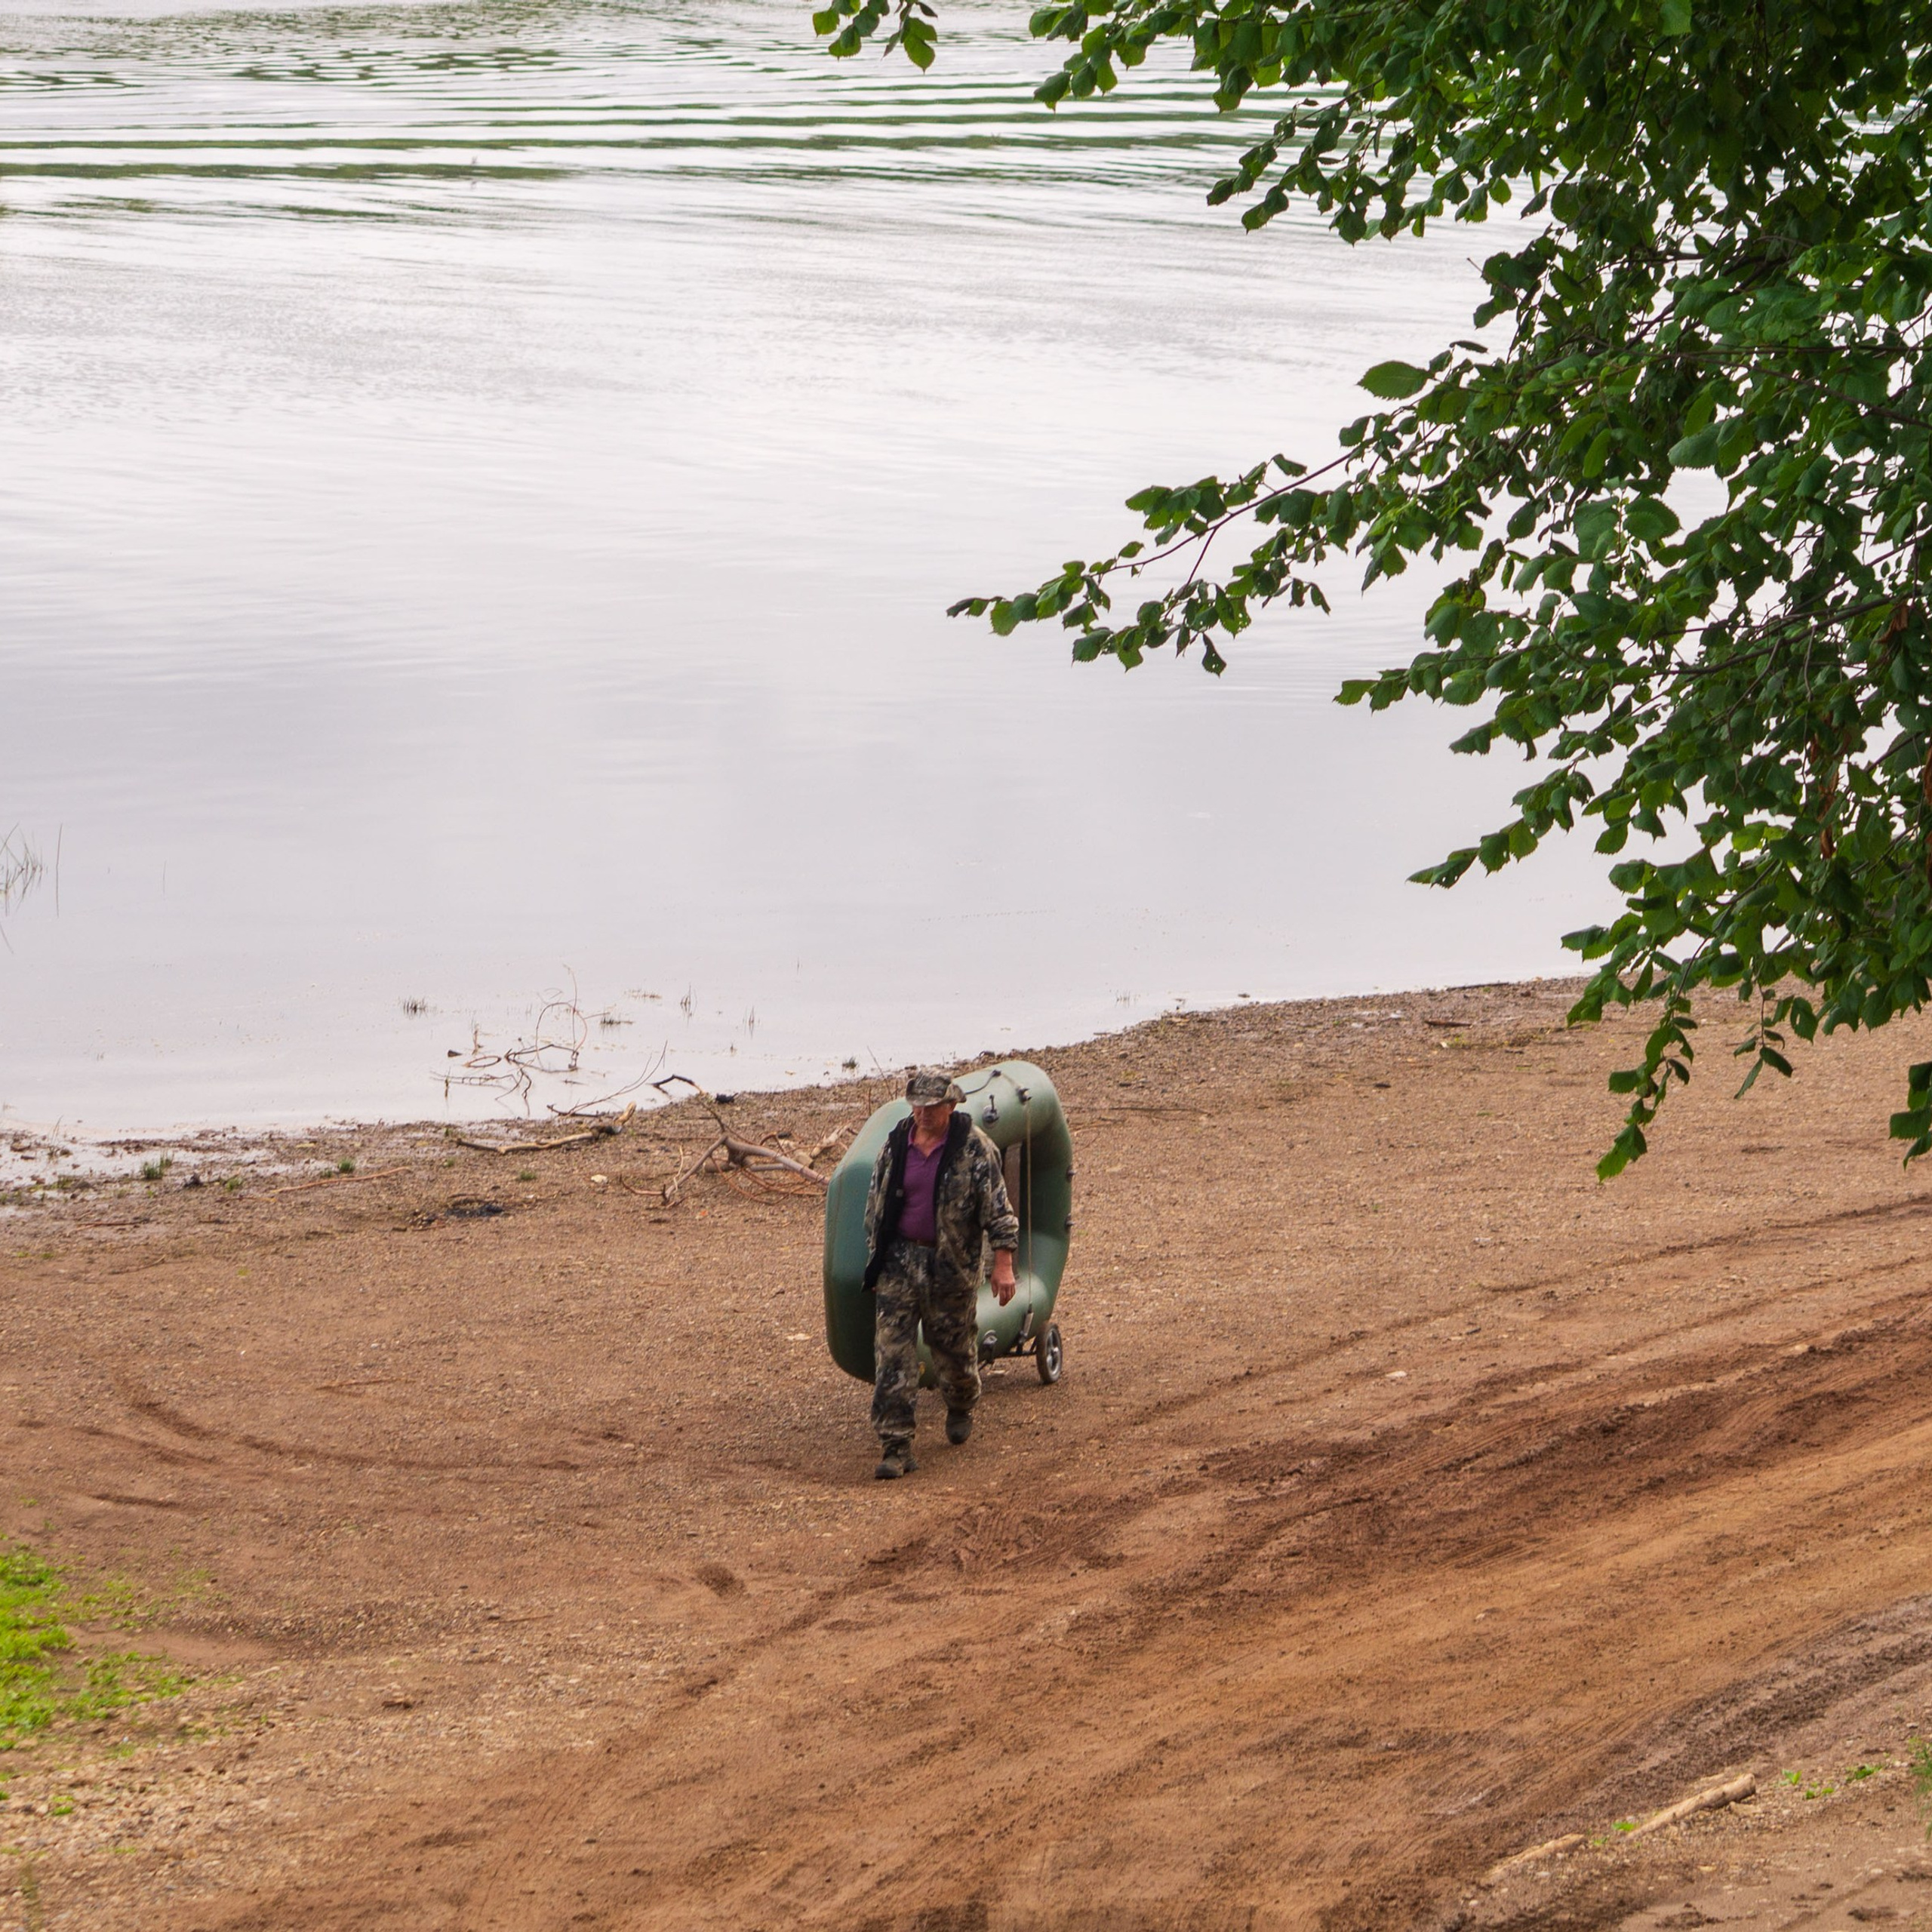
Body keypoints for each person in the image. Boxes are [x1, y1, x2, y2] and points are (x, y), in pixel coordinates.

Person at [860, 1068, 1020, 1480]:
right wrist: (876, 1255)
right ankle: (896, 1446)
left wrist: (1003, 1266)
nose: (923, 1114)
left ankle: (962, 1401)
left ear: (950, 1106)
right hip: (899, 1262)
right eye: (917, 1106)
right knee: (892, 1352)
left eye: (932, 1107)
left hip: (950, 1266)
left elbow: (999, 1213)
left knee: (952, 1350)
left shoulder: (976, 1150)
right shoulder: (896, 1145)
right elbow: (876, 1203)